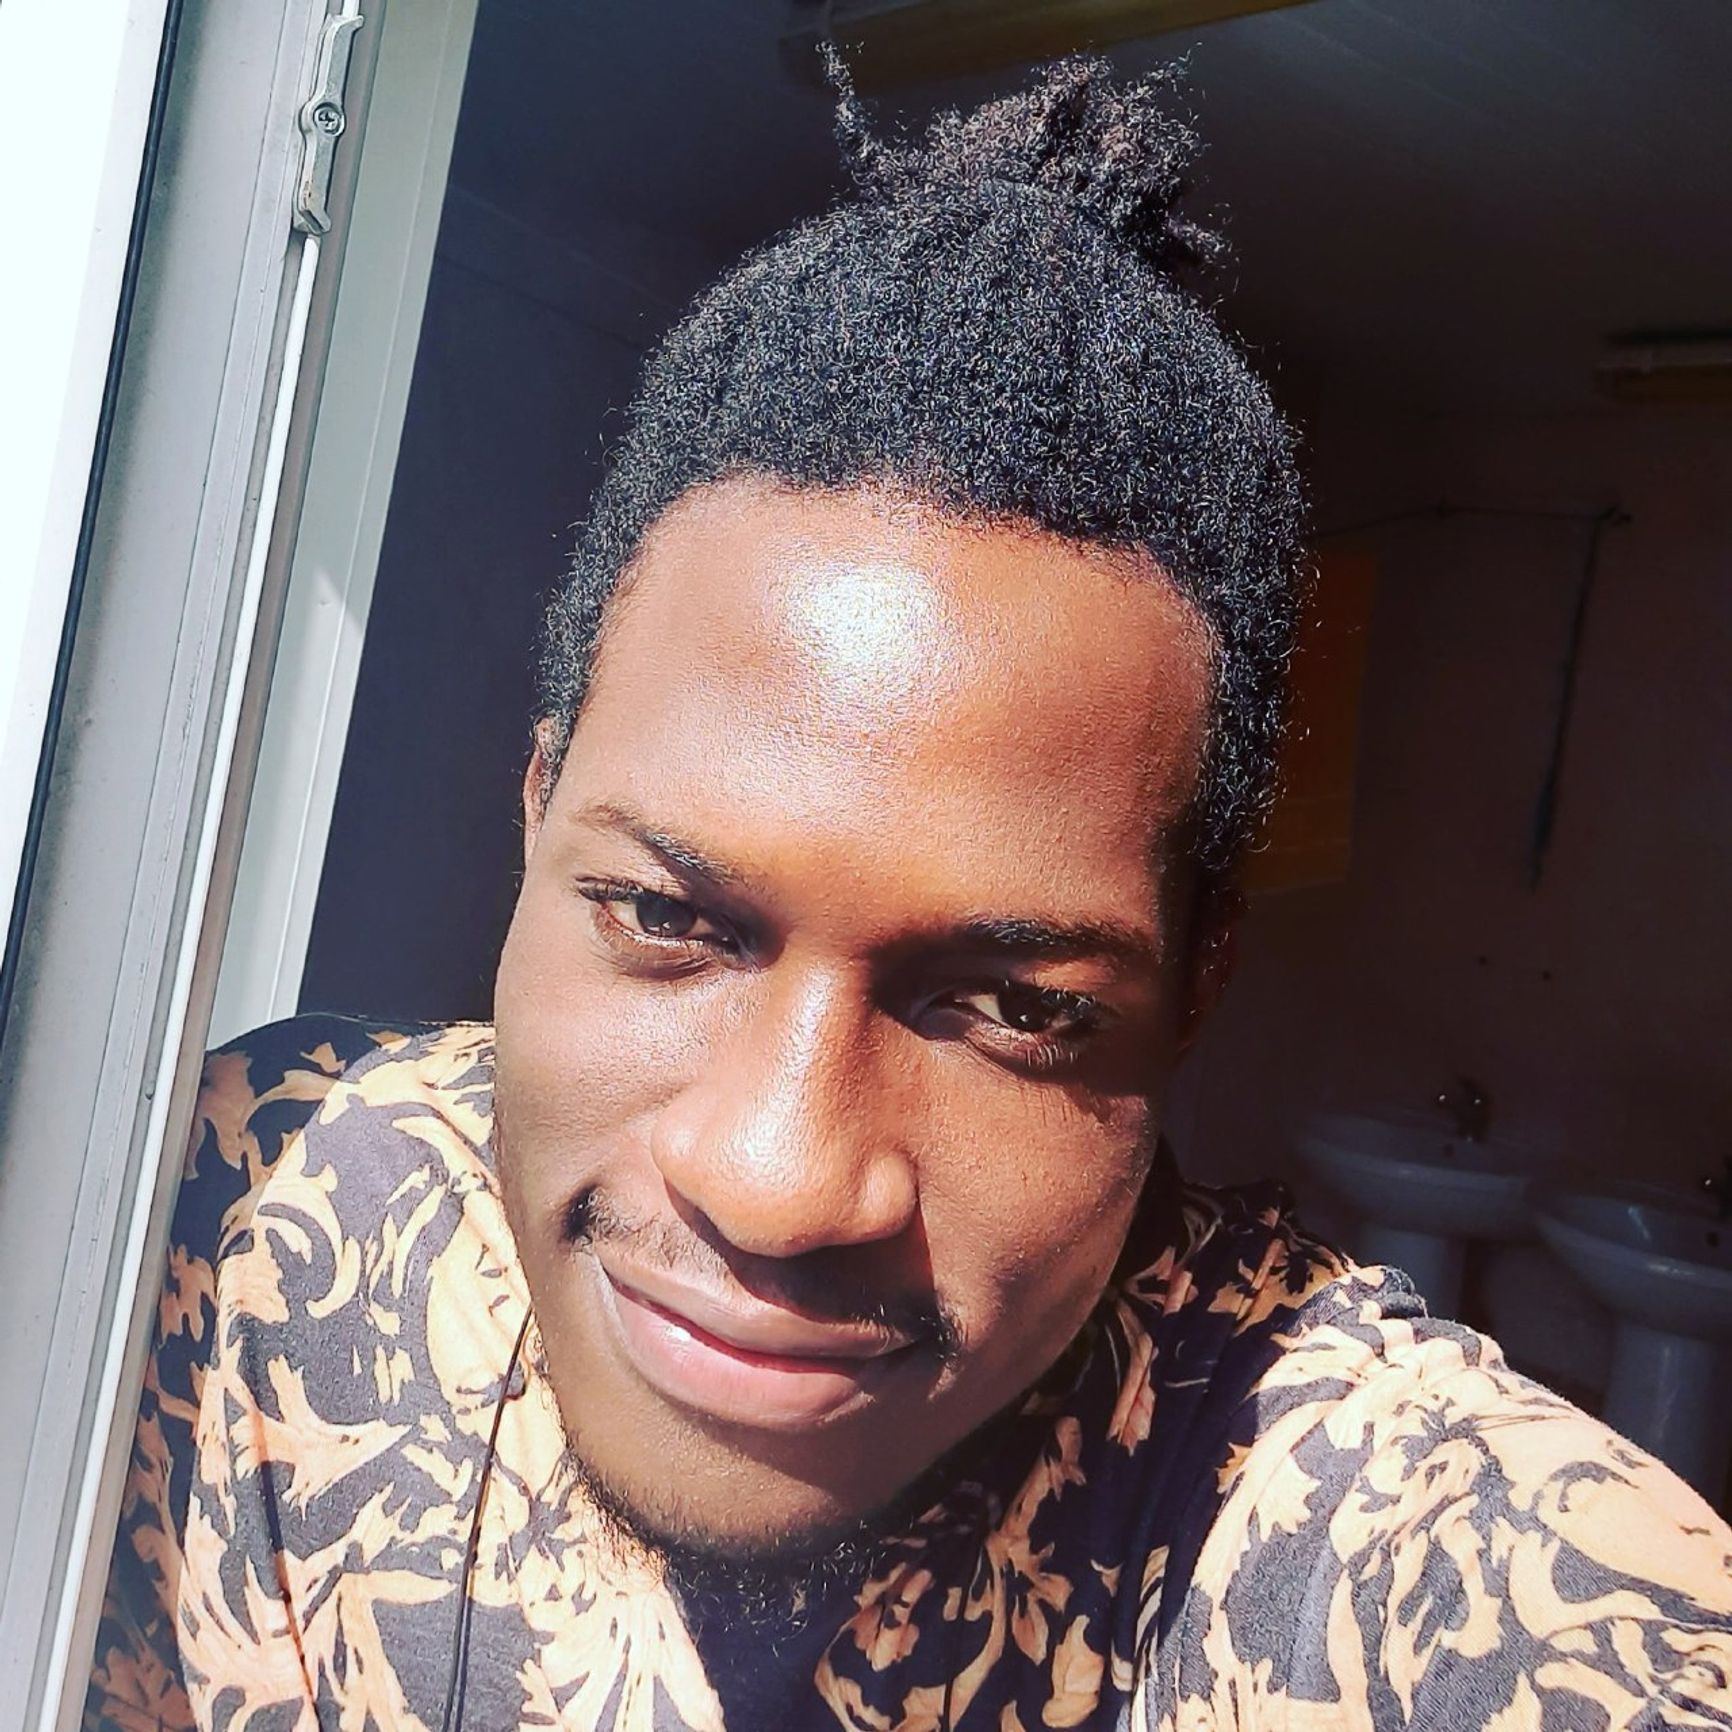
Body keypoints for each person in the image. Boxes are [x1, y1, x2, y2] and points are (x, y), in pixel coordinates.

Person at [87, 54, 1731, 1732]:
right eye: (666, 918)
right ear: (537, 816)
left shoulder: (1383, 1557)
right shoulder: (249, 1199)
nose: (781, 1182)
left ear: (1196, 987)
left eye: (1016, 1005)